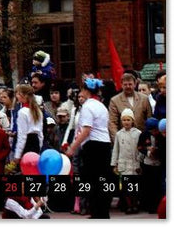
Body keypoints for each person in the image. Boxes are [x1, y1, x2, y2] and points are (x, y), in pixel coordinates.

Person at [65, 78, 112, 218]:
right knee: (102, 180)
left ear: (85, 91)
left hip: (93, 147)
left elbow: (86, 131)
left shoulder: (87, 107)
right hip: (105, 145)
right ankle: (103, 213)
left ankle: (97, 213)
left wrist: (72, 147)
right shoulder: (101, 106)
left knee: (91, 181)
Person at [111, 109, 142, 214]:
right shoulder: (119, 134)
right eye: (124, 120)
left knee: (134, 187)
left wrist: (140, 162)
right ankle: (128, 206)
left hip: (135, 164)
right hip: (123, 165)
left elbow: (140, 149)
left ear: (132, 121)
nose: (126, 122)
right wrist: (114, 163)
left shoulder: (138, 133)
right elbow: (116, 149)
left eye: (128, 120)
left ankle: (135, 205)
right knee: (125, 187)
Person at [108, 71, 153, 139]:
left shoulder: (144, 99)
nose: (128, 86)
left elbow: (149, 118)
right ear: (121, 85)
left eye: (130, 84)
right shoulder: (115, 101)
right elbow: (112, 123)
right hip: (124, 139)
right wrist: (117, 140)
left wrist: (147, 138)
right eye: (125, 84)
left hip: (142, 139)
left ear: (135, 84)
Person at [12, 84, 44, 166]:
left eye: (18, 94)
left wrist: (17, 155)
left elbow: (22, 135)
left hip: (27, 144)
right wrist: (39, 147)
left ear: (24, 96)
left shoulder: (22, 112)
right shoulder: (38, 111)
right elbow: (40, 133)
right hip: (36, 142)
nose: (16, 96)